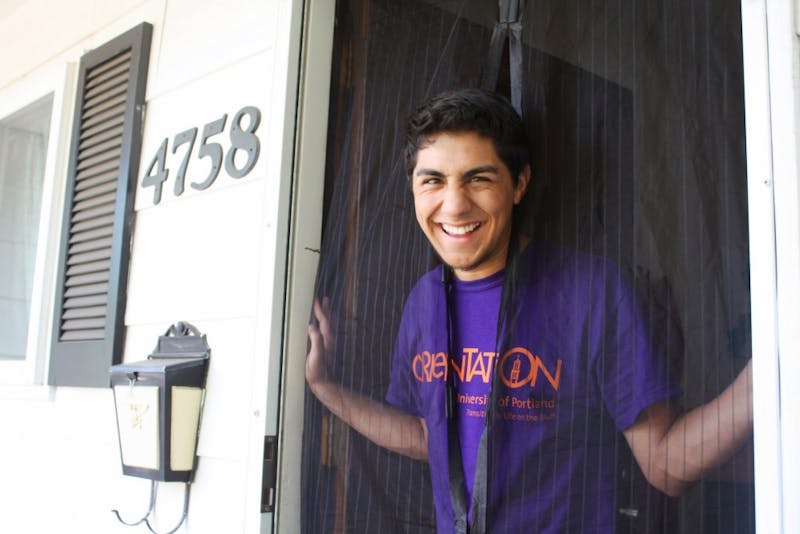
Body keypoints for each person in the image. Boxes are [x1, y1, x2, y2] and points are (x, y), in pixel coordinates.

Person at [306, 88, 753, 533]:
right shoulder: (424, 301)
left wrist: (766, 373)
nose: (454, 204)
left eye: (478, 178)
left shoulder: (592, 292)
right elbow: (429, 437)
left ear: (519, 183)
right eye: (433, 181)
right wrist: (326, 389)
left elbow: (665, 463)